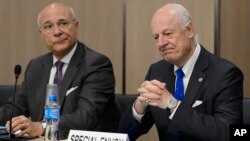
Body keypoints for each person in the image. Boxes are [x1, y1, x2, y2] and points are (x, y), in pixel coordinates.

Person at [119, 3, 243, 141]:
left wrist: (173, 104)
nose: (161, 43)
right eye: (156, 37)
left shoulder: (225, 74)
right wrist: (138, 108)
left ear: (189, 30)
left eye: (168, 34)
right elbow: (125, 135)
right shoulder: (156, 71)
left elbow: (228, 133)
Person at [0, 2, 120, 139]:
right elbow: (14, 109)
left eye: (63, 23)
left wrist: (42, 127)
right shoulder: (35, 66)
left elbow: (86, 116)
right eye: (48, 26)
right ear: (41, 34)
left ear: (76, 26)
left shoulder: (96, 64)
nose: (56, 32)